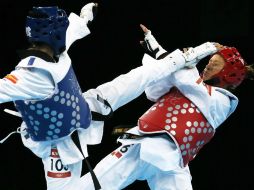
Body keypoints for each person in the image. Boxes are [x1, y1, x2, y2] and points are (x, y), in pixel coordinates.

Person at [0, 3, 220, 190]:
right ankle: (182, 58)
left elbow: (74, 27)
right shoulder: (30, 75)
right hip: (59, 141)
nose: (66, 29)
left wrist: (86, 14)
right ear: (53, 33)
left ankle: (183, 57)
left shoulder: (54, 44)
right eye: (62, 26)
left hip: (87, 106)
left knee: (136, 78)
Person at [79, 24, 254, 190]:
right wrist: (162, 53)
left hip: (172, 160)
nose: (208, 64)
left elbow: (182, 75)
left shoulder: (223, 102)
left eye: (214, 64)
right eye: (209, 61)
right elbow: (157, 84)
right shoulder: (190, 87)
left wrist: (164, 51)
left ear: (227, 75)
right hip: (145, 145)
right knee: (94, 185)